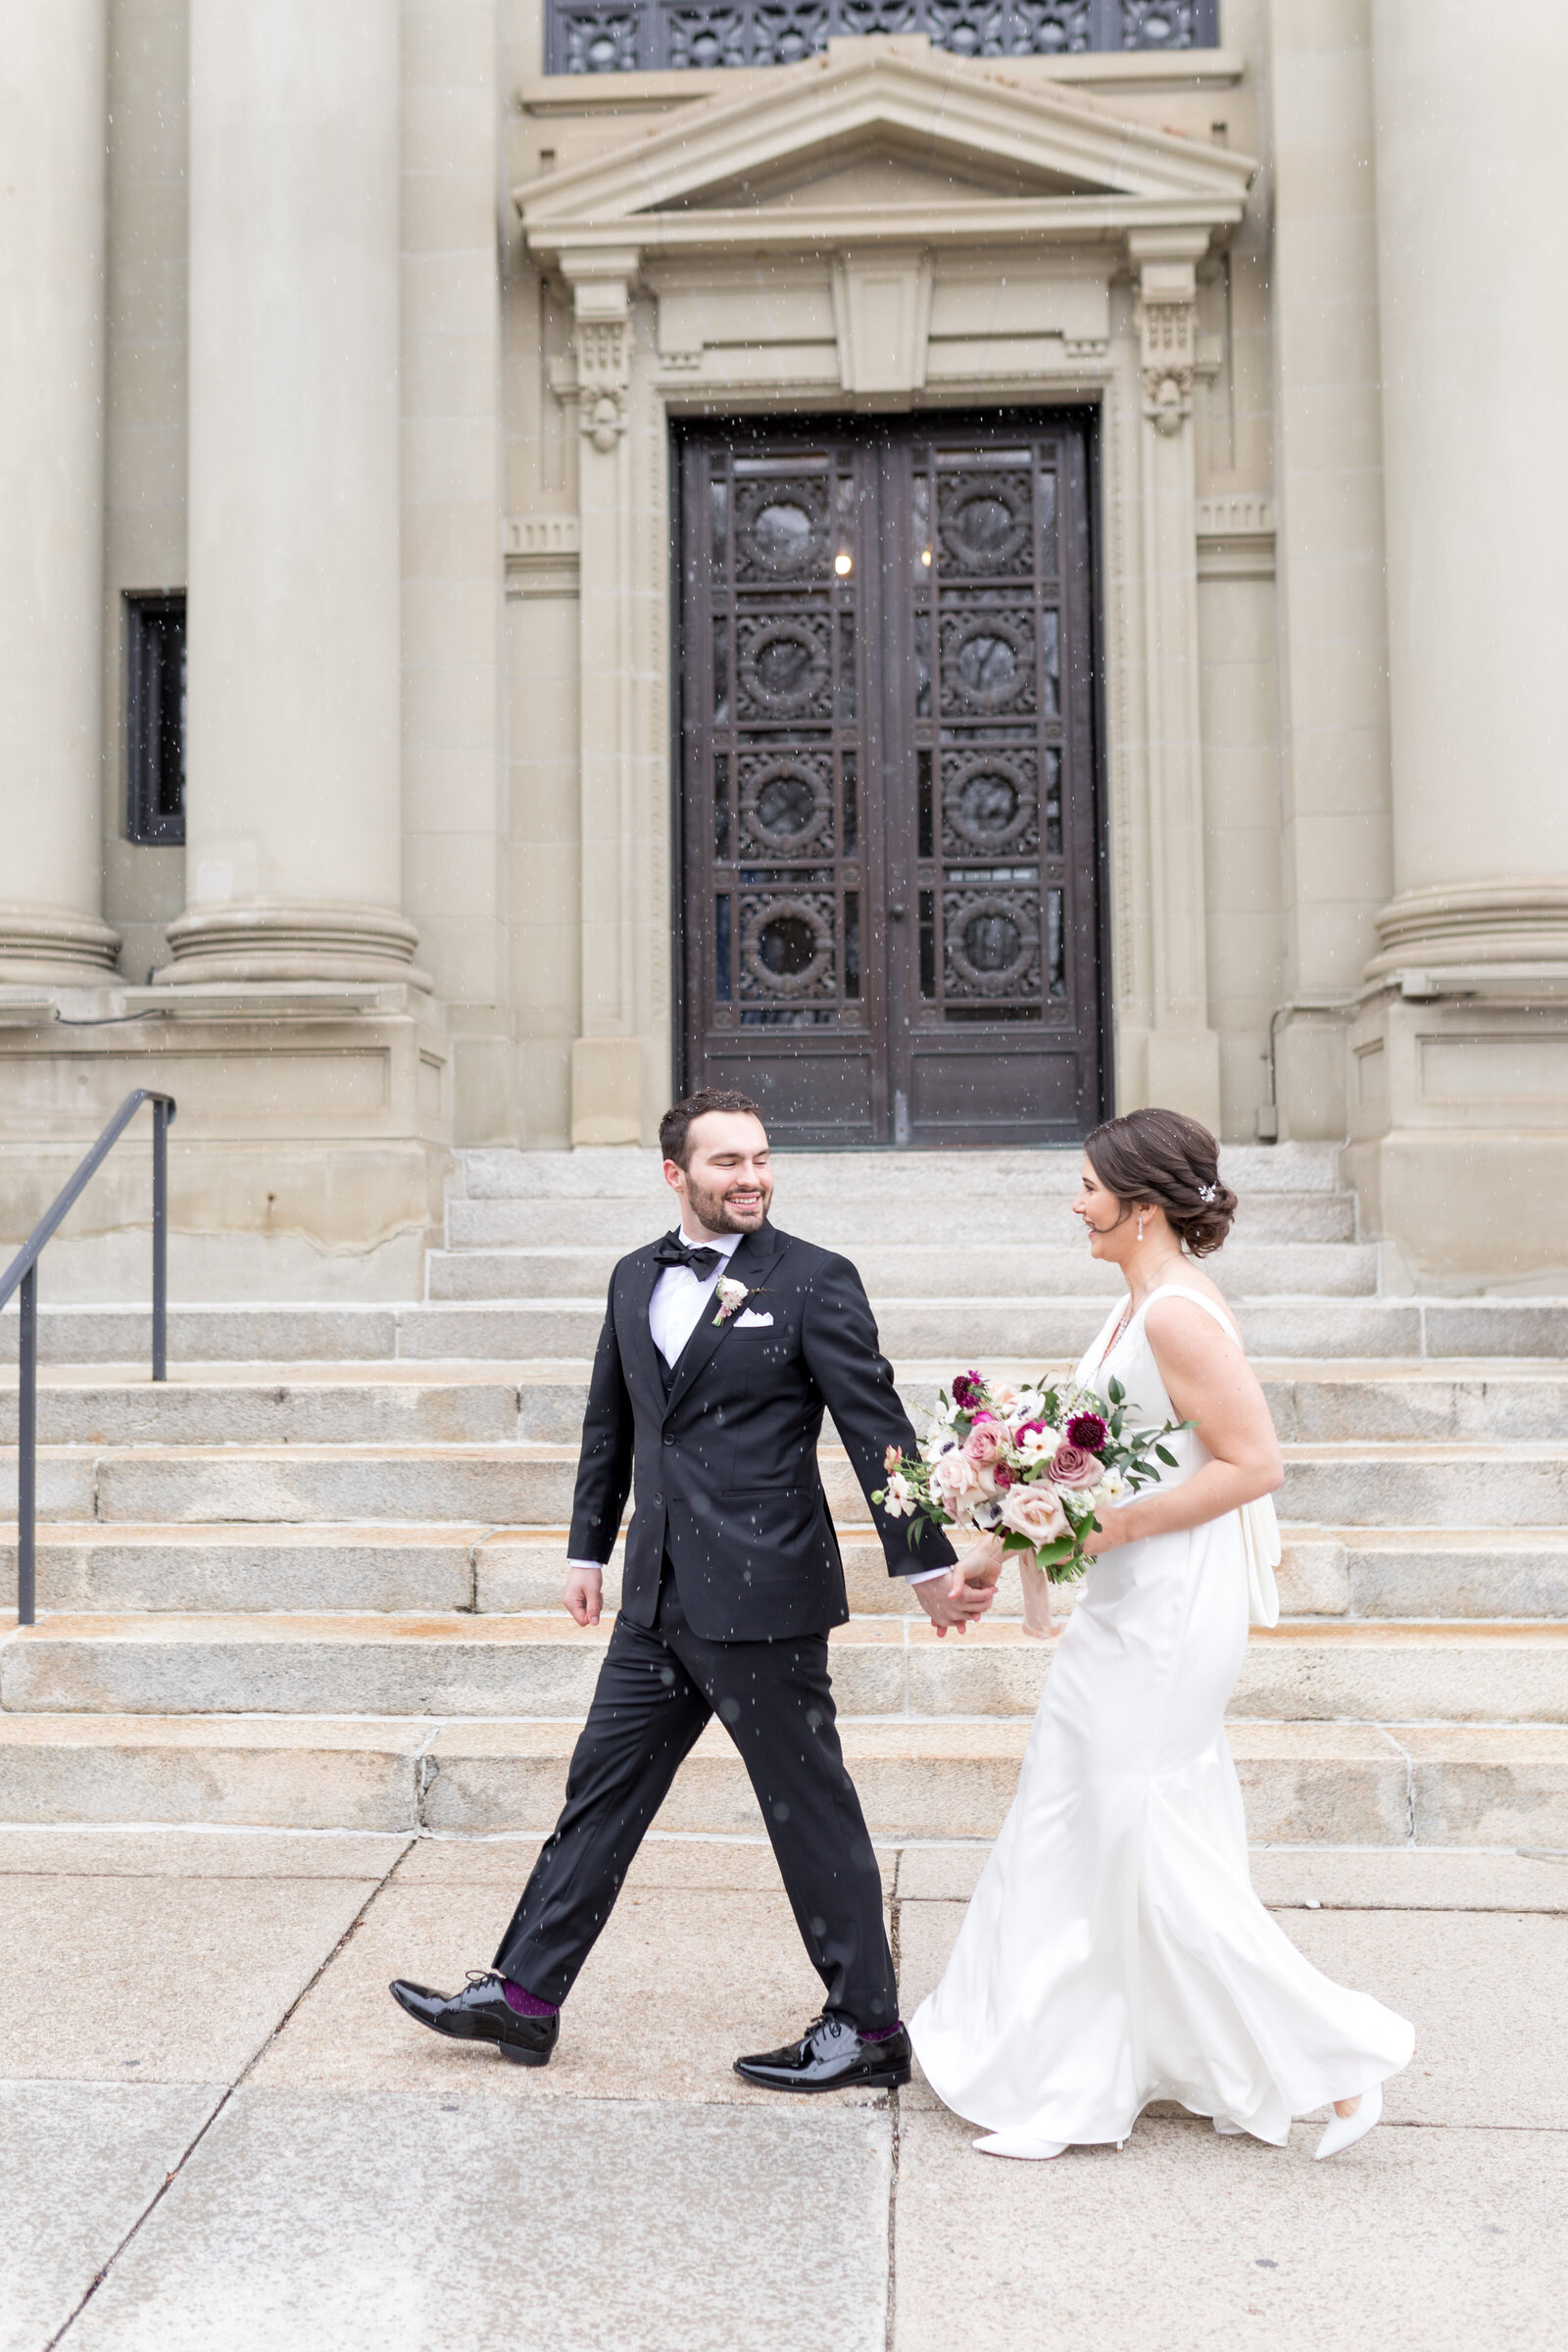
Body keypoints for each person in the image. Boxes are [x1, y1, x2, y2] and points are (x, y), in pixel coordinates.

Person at [390, 1089, 993, 2088]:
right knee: (600, 1795)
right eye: (727, 1163)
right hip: (654, 1595)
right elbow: (611, 1425)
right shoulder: (635, 1277)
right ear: (676, 1174)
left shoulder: (813, 1280)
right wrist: (587, 1551)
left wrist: (926, 1564)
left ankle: (869, 2027)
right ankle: (525, 1997)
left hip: (765, 1598)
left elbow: (873, 1426)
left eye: (759, 1159)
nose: (750, 1177)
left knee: (807, 1810)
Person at [909, 1106, 1414, 2160]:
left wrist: (1106, 1530)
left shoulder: (1178, 1315)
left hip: (1173, 1605)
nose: (1077, 1203)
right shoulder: (1131, 1310)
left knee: (1128, 1827)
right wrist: (998, 1548)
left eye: (1092, 1188)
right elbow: (1067, 1460)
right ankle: (1107, 2056)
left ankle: (1331, 2062)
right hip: (1134, 1597)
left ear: (1142, 1207)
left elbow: (1253, 1463)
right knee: (1084, 1814)